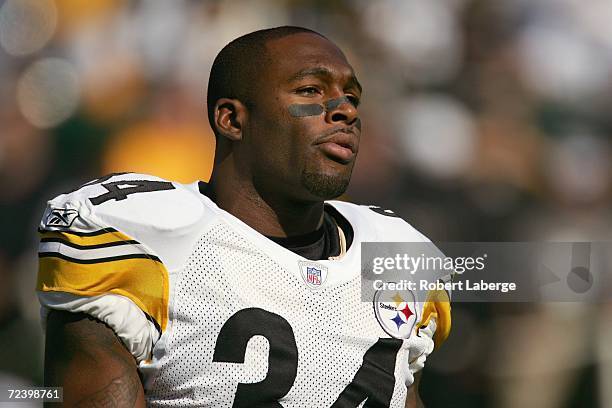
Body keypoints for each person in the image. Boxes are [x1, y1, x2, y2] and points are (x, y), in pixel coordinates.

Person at [37, 26, 451, 407]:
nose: (345, 111)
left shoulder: (397, 256)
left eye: (352, 97)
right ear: (232, 119)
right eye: (310, 91)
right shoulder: (143, 239)